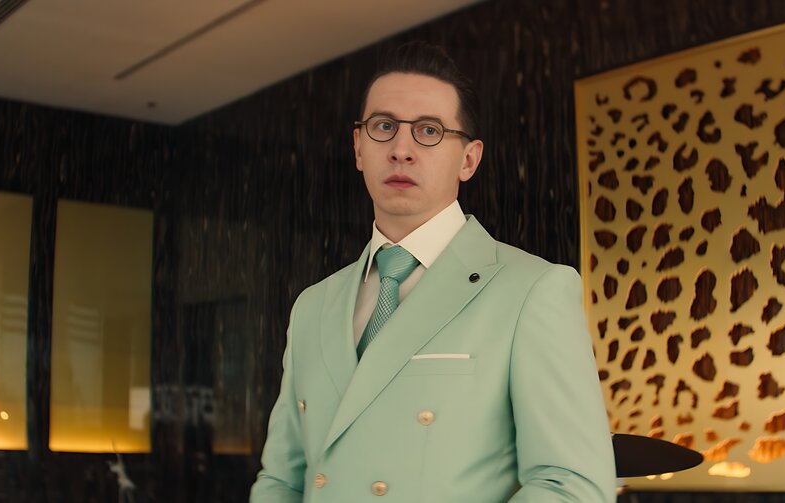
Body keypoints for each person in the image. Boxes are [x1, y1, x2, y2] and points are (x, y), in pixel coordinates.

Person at [250, 41, 615, 502]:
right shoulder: (313, 305)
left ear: (469, 159)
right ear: (359, 147)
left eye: (429, 131)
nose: (401, 150)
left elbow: (572, 486)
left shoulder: (531, 290)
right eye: (384, 126)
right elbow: (282, 480)